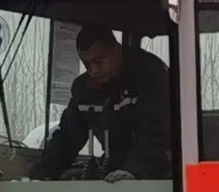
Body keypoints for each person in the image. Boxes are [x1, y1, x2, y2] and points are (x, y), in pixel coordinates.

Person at [32, 27, 175, 181]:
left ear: (116, 50)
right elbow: (68, 135)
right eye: (87, 65)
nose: (93, 71)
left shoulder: (150, 74)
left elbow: (155, 131)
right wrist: (41, 173)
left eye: (98, 61)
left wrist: (133, 170)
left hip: (162, 178)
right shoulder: (85, 90)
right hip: (115, 175)